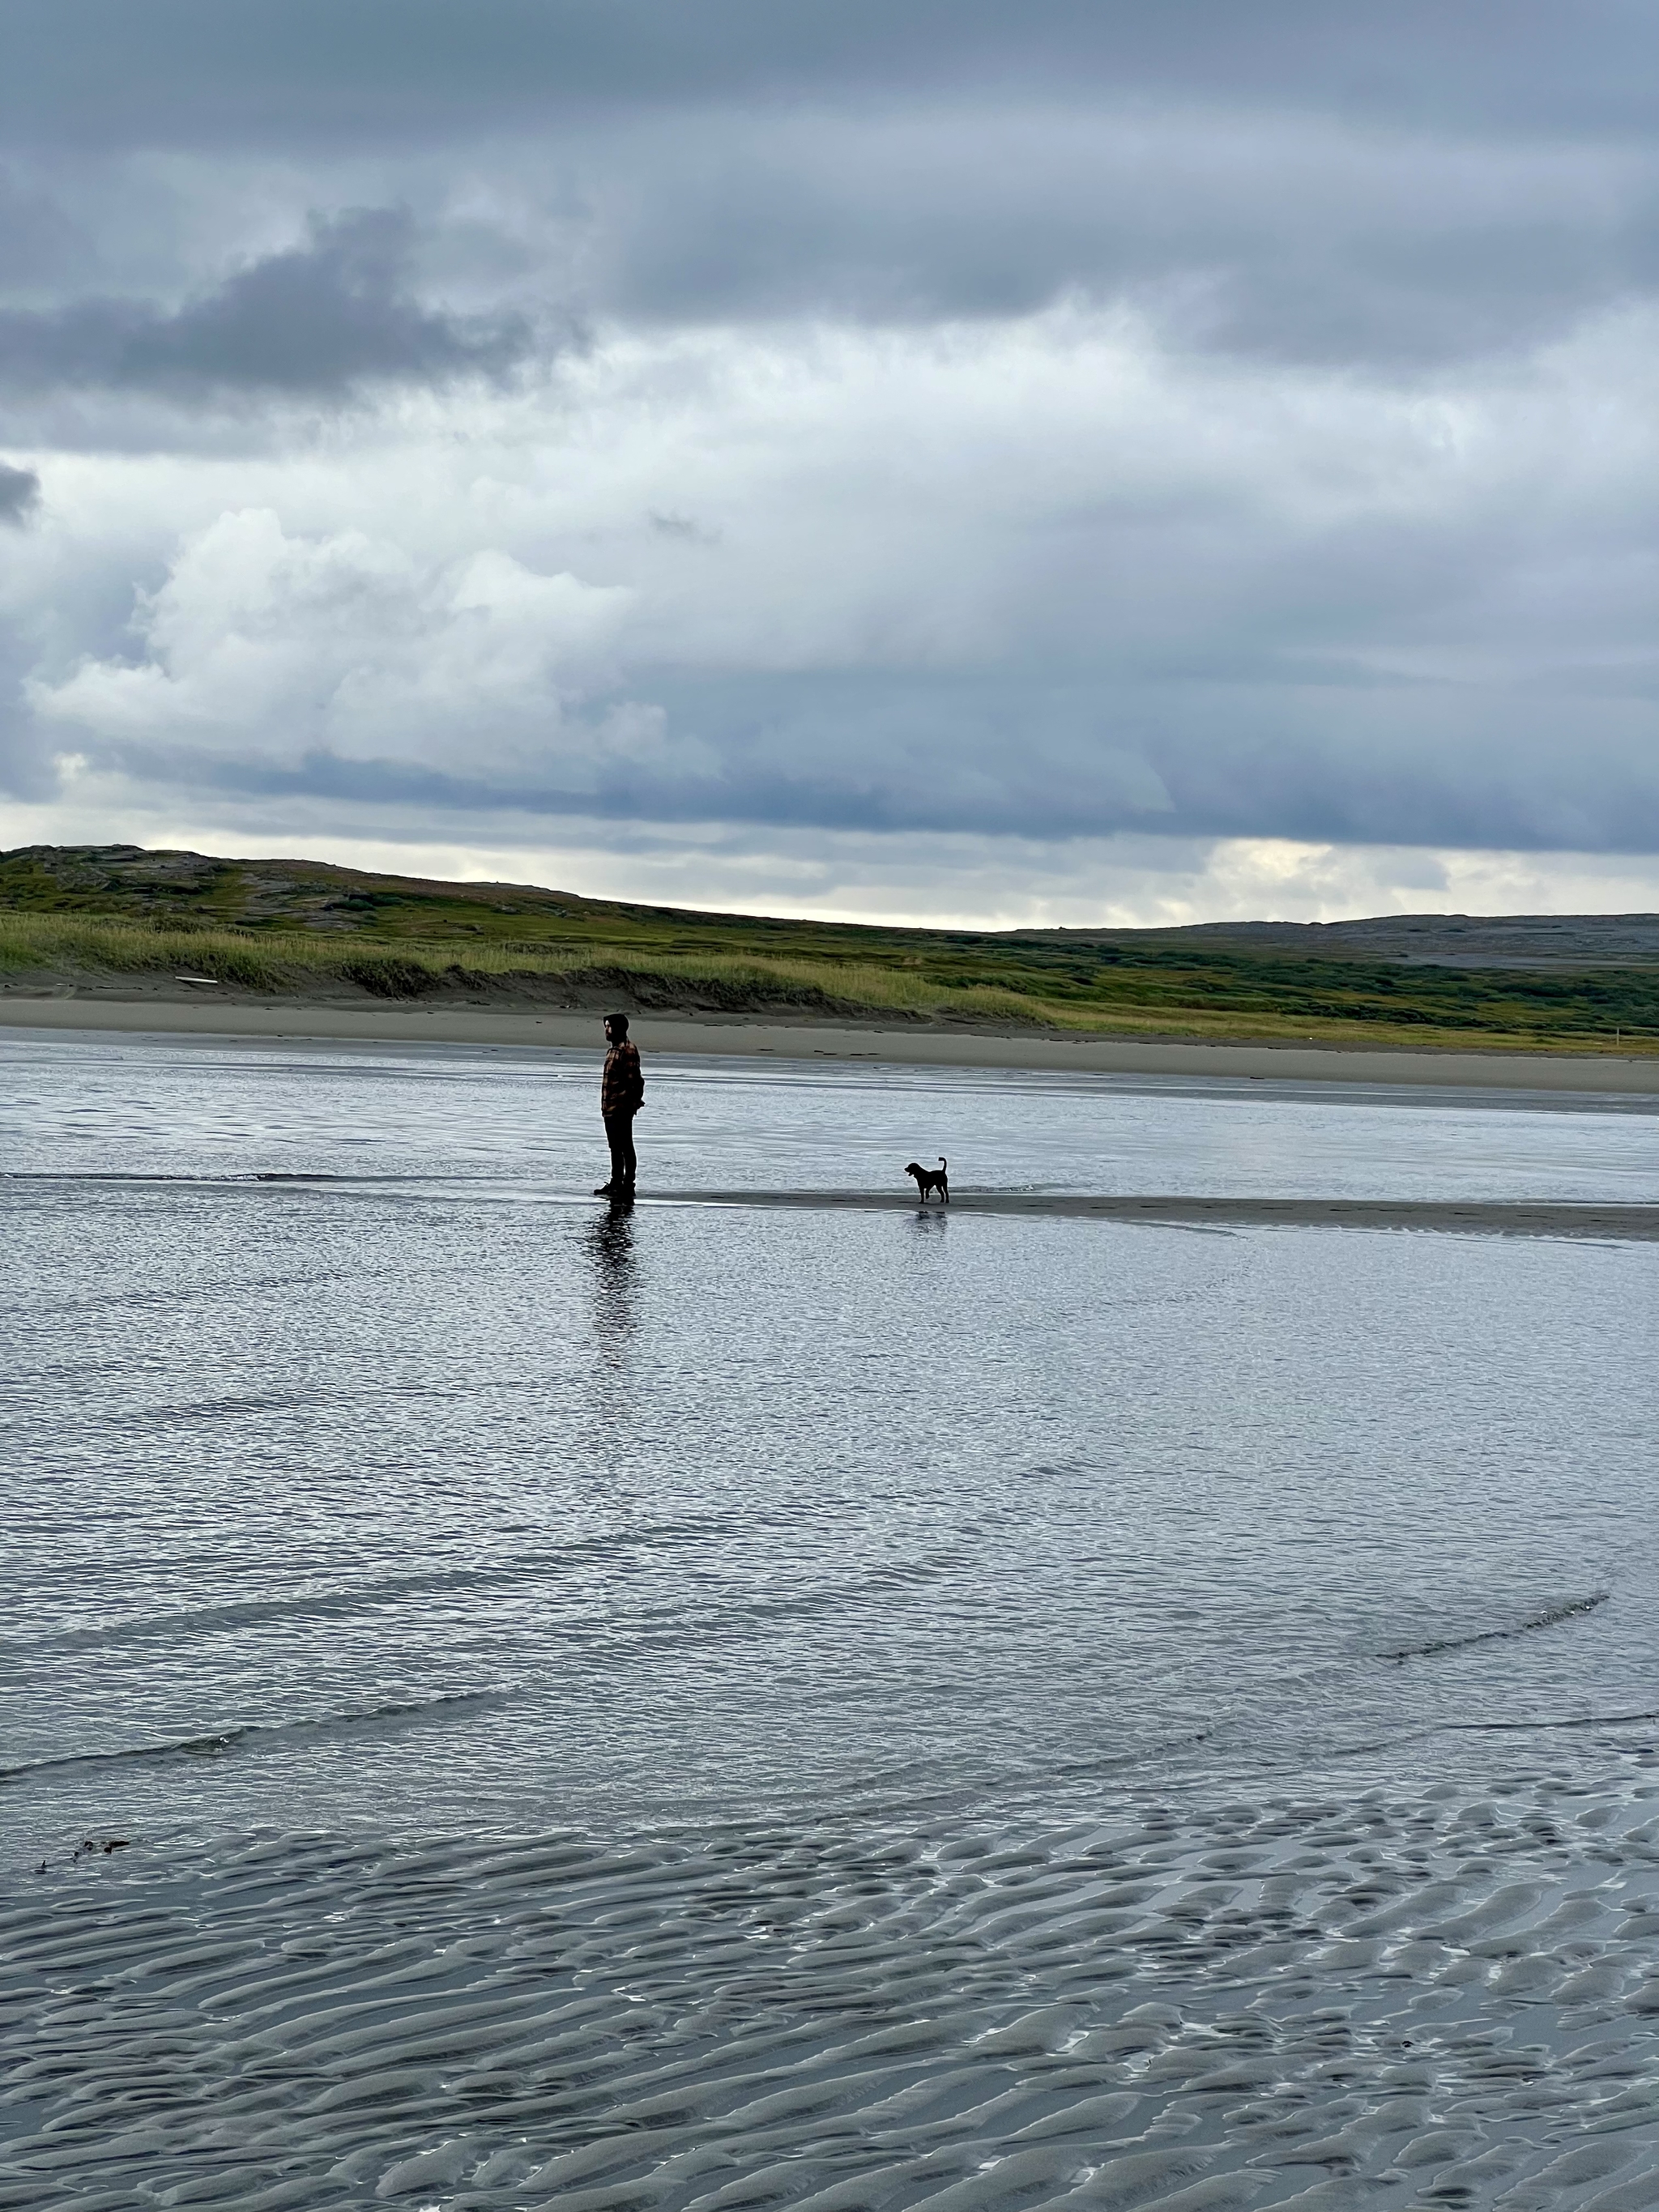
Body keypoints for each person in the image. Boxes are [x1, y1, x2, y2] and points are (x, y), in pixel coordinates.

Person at [595, 1012, 644, 1196]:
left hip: (621, 1107)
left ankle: (628, 1183)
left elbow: (635, 1081)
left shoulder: (627, 1050)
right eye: (606, 1027)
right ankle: (616, 1182)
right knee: (615, 1146)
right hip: (609, 1107)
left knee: (625, 1146)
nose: (606, 1031)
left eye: (609, 1027)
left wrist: (629, 1103)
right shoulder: (613, 1050)